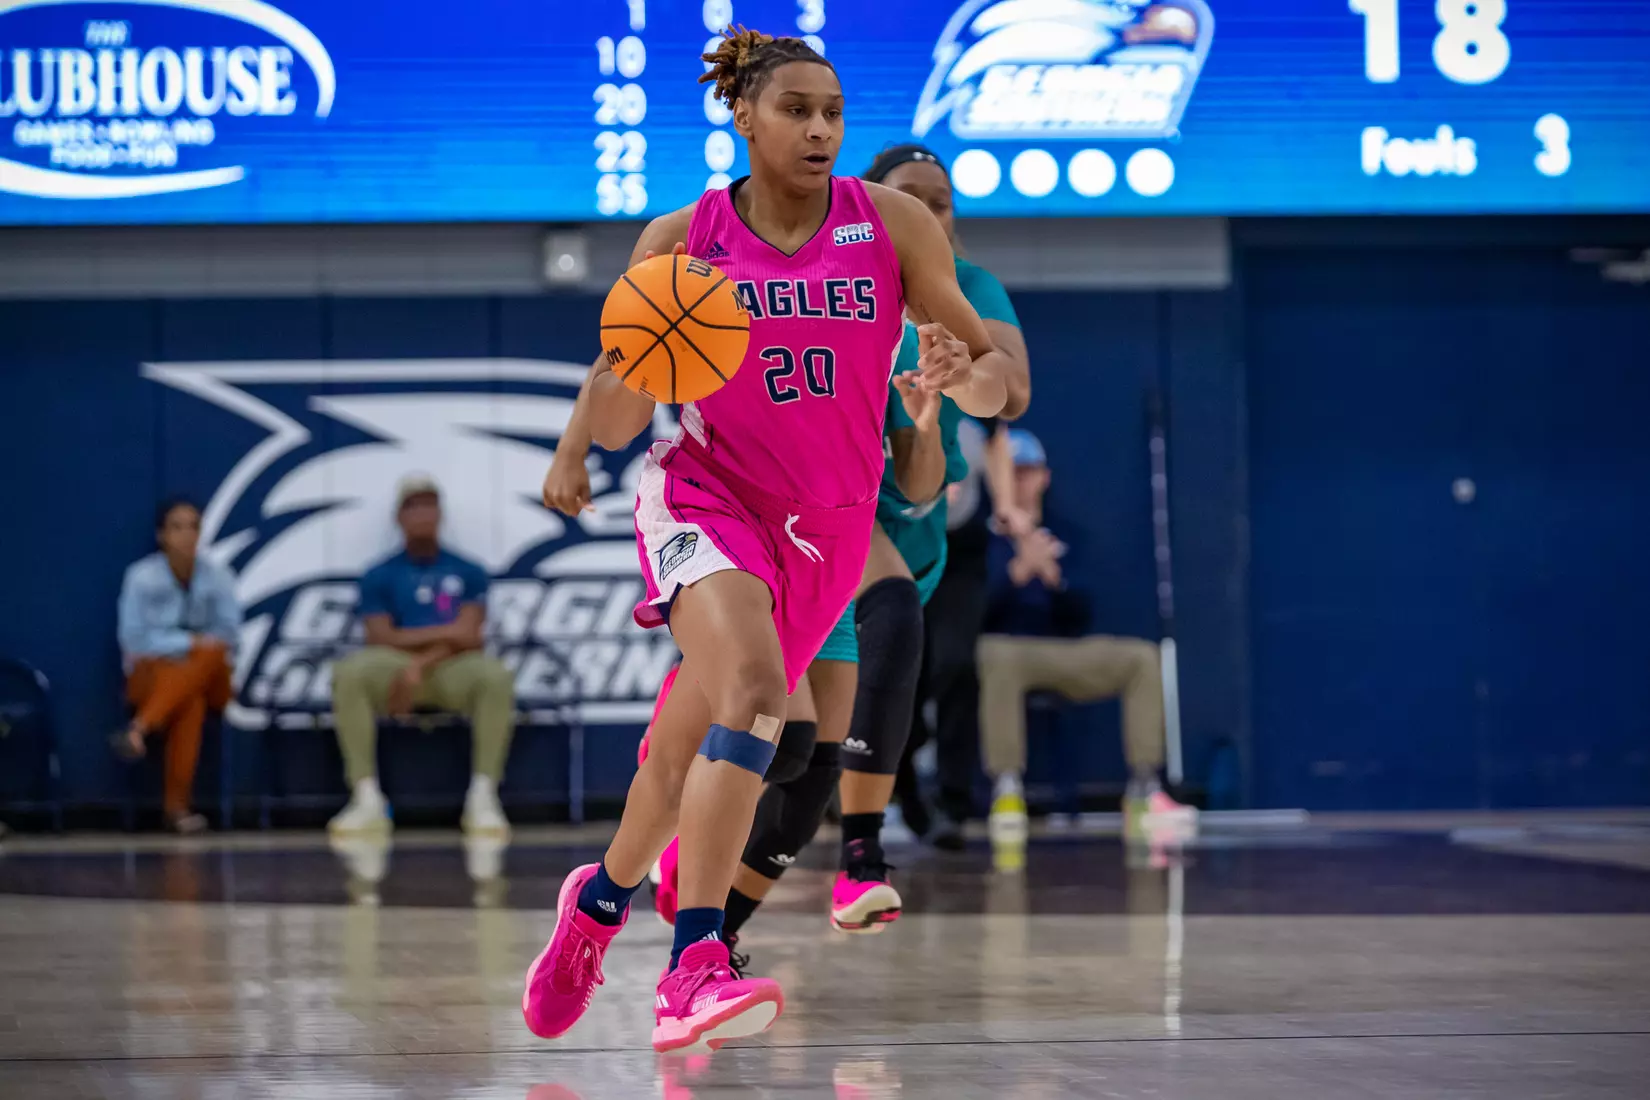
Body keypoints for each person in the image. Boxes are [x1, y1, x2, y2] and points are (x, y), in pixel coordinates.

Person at [523, 27, 1010, 1054]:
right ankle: (695, 957)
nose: (820, 130)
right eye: (796, 110)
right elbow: (618, 411)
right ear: (742, 117)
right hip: (710, 495)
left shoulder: (891, 227)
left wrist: (957, 370)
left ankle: (596, 906)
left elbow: (994, 382)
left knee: (679, 756)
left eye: (833, 113)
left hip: (828, 527)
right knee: (754, 696)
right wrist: (590, 424)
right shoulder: (682, 238)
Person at [976, 431, 1198, 845]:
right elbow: (974, 615)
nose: (1022, 482)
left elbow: (1084, 611)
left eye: (1029, 473)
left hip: (1067, 651)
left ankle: (1145, 788)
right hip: (1010, 650)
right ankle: (1007, 790)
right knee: (995, 655)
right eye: (1013, 474)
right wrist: (1018, 573)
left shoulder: (1068, 535)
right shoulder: (983, 541)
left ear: (1044, 477)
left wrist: (1054, 579)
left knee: (1140, 658)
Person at [327, 474, 514, 838]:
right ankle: (365, 798)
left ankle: (483, 797)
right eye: (414, 506)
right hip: (395, 666)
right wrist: (443, 637)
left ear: (441, 513)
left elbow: (471, 636)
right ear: (399, 517)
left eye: (430, 504)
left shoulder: (468, 570)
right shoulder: (379, 574)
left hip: (450, 668)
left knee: (496, 676)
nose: (423, 514)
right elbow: (379, 637)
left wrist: (418, 662)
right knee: (350, 673)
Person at [114, 496, 242, 834]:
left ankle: (139, 729)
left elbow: (230, 635)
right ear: (162, 535)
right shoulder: (140, 577)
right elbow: (134, 641)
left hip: (213, 675)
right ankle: (177, 809)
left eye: (194, 526)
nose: (187, 534)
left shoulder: (218, 575)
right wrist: (189, 644)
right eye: (177, 527)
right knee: (191, 700)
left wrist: (196, 649)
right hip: (151, 677)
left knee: (209, 657)